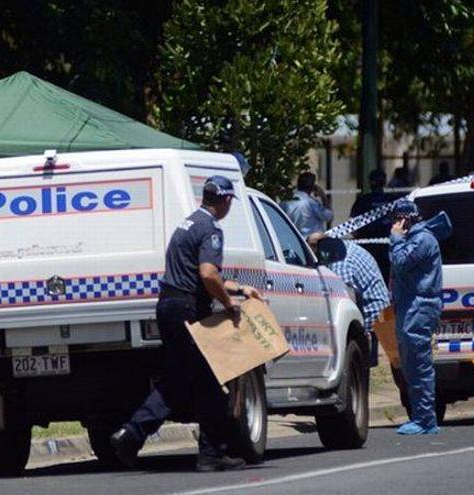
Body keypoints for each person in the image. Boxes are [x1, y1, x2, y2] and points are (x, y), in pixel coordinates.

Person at [109, 176, 262, 472]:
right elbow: (207, 274)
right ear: (227, 200)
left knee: (185, 381)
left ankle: (134, 436)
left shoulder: (188, 224)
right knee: (208, 380)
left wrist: (240, 289)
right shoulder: (211, 230)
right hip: (187, 310)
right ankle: (204, 452)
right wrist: (230, 305)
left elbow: (203, 276)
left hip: (169, 306)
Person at [388, 201, 451, 435]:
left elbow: (402, 263)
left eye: (396, 220)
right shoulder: (412, 239)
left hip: (419, 306)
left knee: (418, 363)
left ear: (404, 219)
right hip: (409, 305)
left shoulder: (422, 239)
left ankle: (426, 420)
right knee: (410, 364)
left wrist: (396, 239)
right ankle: (420, 416)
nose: (393, 225)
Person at [307, 233, 390, 332]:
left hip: (373, 322)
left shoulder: (341, 261)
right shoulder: (344, 248)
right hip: (379, 315)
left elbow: (342, 299)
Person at [350, 169, 397, 283]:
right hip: (387, 249)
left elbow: (353, 227)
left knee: (367, 280)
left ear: (370, 182)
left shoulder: (362, 201)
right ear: (384, 182)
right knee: (386, 281)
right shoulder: (391, 201)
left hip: (366, 250)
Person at [281, 172, 334, 237]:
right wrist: (323, 196)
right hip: (311, 242)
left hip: (292, 240)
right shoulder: (311, 203)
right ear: (313, 187)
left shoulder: (286, 201)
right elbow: (329, 217)